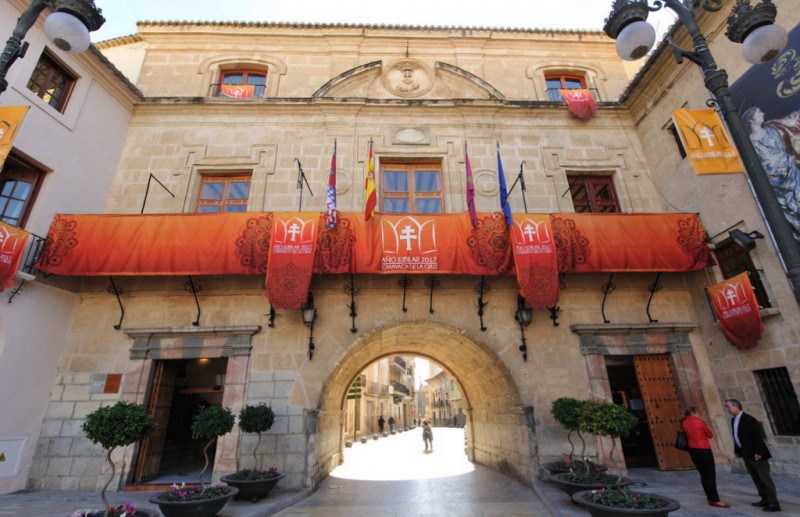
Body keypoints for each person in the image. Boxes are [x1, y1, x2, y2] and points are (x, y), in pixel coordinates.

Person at [742, 106, 800, 240]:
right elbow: (765, 162)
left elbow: (781, 151)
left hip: (791, 174)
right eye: (759, 113)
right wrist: (774, 163)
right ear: (751, 120)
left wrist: (777, 161)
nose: (763, 113)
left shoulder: (771, 130)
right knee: (792, 208)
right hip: (776, 183)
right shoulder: (750, 142)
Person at [725, 399, 781, 512]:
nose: (727, 409)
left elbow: (758, 437)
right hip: (746, 452)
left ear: (736, 406)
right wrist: (737, 451)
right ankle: (764, 498)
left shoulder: (749, 419)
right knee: (755, 477)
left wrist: (758, 453)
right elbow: (737, 436)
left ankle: (774, 503)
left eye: (728, 407)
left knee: (764, 478)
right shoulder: (733, 420)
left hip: (756, 453)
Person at [681, 407, 730, 508]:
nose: (699, 415)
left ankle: (710, 498)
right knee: (710, 475)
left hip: (693, 450)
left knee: (703, 475)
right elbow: (710, 434)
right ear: (694, 413)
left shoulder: (684, 423)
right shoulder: (699, 422)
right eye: (698, 413)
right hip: (704, 449)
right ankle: (715, 500)